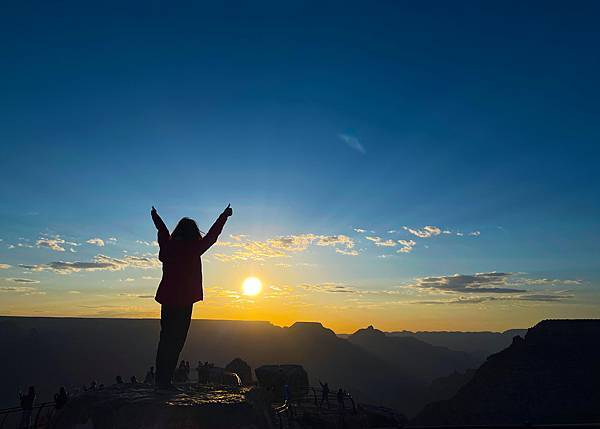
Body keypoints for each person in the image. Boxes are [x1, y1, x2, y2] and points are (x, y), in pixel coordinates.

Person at [152, 204, 232, 389]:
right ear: (193, 232)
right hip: (185, 300)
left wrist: (155, 216)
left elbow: (162, 231)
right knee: (177, 340)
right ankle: (166, 381)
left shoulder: (168, 246)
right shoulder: (194, 247)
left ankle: (160, 379)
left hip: (167, 298)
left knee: (165, 339)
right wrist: (224, 215)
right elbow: (212, 236)